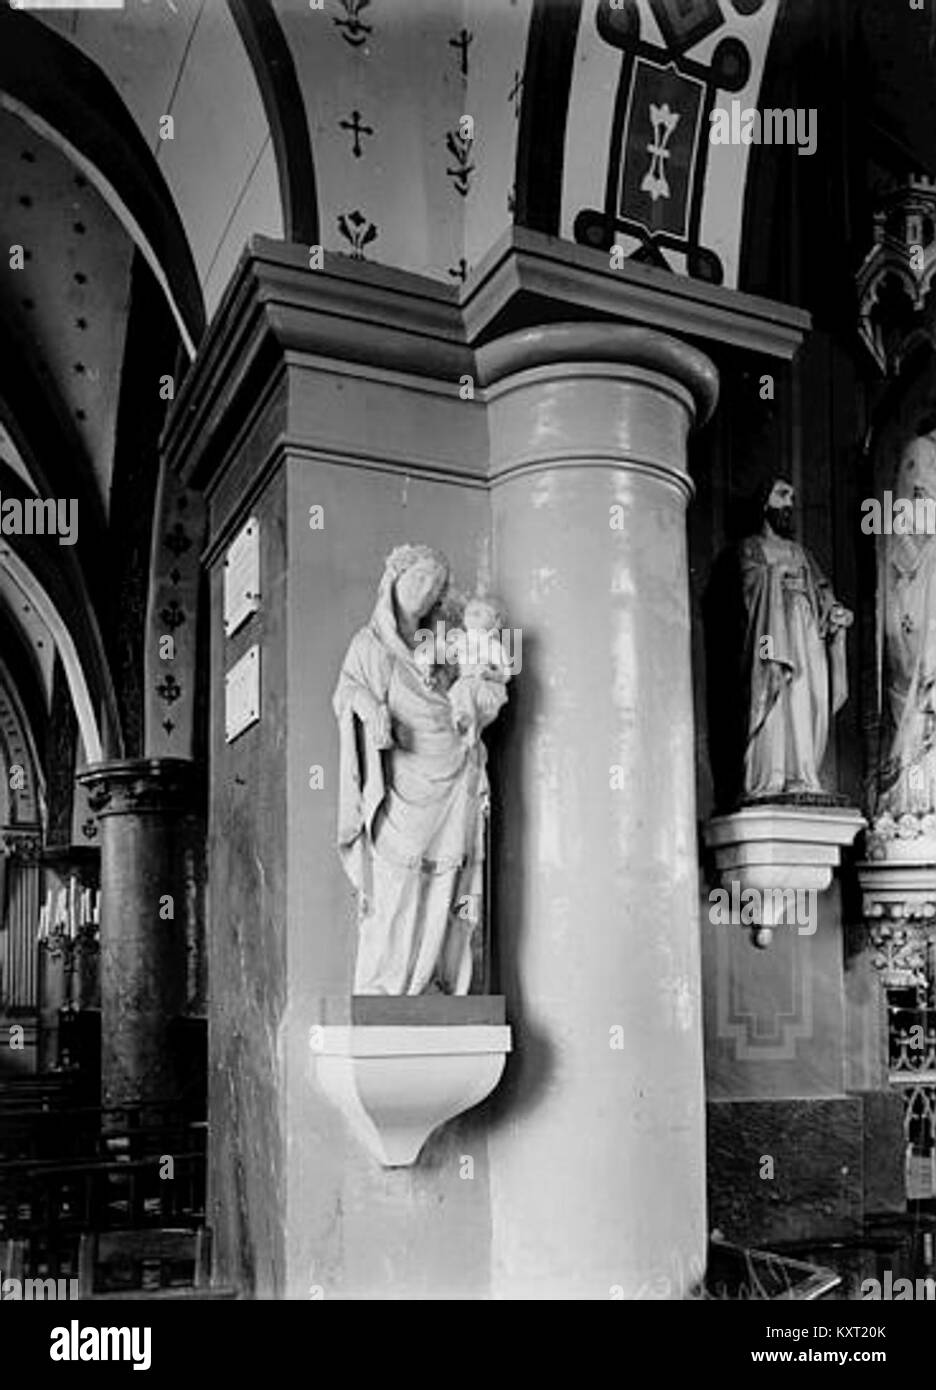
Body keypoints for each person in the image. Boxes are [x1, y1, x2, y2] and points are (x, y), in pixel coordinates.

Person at [333, 545, 500, 995]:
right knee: (396, 882)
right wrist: (370, 708)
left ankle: (437, 980)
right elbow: (346, 692)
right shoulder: (368, 645)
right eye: (418, 579)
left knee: (449, 879)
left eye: (435, 586)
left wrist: (482, 671)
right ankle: (386, 987)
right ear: (393, 580)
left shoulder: (442, 650)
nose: (424, 592)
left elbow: (482, 684)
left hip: (452, 769)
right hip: (401, 779)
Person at [739, 479, 852, 800]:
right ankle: (772, 775)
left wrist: (835, 612)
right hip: (773, 635)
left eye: (792, 498)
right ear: (765, 502)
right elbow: (749, 587)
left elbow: (822, 591)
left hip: (805, 634)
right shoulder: (751, 547)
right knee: (775, 695)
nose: (789, 504)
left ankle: (802, 773)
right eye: (782, 495)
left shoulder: (799, 552)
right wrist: (775, 577)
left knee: (805, 698)